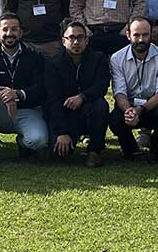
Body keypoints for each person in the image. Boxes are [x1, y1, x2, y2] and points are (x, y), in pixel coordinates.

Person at [0, 14, 49, 164]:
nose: (9, 33)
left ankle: (22, 142)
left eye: (14, 29)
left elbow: (42, 87)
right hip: (0, 111)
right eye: (5, 29)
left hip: (27, 110)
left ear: (21, 33)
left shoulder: (35, 57)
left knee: (39, 141)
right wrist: (1, 93)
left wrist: (18, 94)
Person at [44, 19, 111, 167]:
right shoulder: (53, 64)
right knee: (58, 156)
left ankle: (95, 151)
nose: (76, 42)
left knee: (101, 105)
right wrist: (61, 132)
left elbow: (102, 86)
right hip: (65, 114)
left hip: (90, 109)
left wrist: (82, 97)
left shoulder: (98, 58)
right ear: (63, 41)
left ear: (87, 40)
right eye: (71, 38)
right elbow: (52, 100)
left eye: (80, 37)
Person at [107, 17, 158, 162]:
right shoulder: (117, 58)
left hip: (152, 106)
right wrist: (128, 111)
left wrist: (140, 110)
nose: (141, 39)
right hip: (129, 106)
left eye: (145, 35)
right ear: (128, 35)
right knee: (115, 120)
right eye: (136, 35)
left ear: (151, 35)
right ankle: (130, 149)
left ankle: (156, 149)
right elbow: (119, 92)